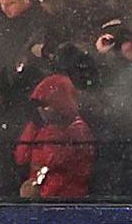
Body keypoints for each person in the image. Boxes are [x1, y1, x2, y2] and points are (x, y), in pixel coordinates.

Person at [14, 71, 95, 199]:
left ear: (60, 104)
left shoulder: (77, 129)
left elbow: (52, 159)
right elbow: (21, 157)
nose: (41, 111)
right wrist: (33, 125)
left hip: (66, 202)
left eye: (46, 106)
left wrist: (38, 189)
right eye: (38, 107)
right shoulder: (42, 127)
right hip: (43, 201)